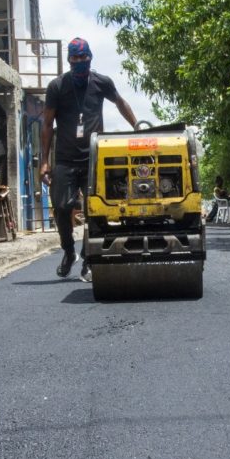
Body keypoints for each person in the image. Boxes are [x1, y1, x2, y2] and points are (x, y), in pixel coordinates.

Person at [40, 37, 138, 282]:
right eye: (75, 58)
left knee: (95, 211)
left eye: (84, 58)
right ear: (69, 60)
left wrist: (137, 126)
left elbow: (120, 103)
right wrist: (44, 161)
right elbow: (47, 124)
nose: (80, 62)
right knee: (62, 207)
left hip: (94, 159)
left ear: (90, 58)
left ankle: (88, 259)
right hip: (64, 158)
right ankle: (68, 251)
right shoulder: (57, 86)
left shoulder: (101, 82)